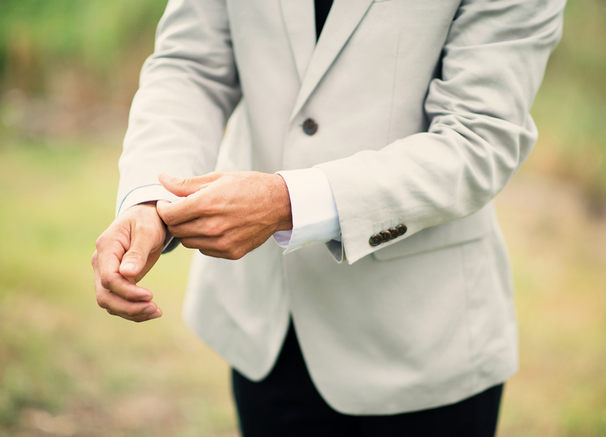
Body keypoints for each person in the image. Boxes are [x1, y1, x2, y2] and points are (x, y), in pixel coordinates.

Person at [92, 0, 565, 435]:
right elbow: (190, 66)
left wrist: (287, 202)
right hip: (267, 325)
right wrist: (153, 200)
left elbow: (479, 137)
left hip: (422, 344)